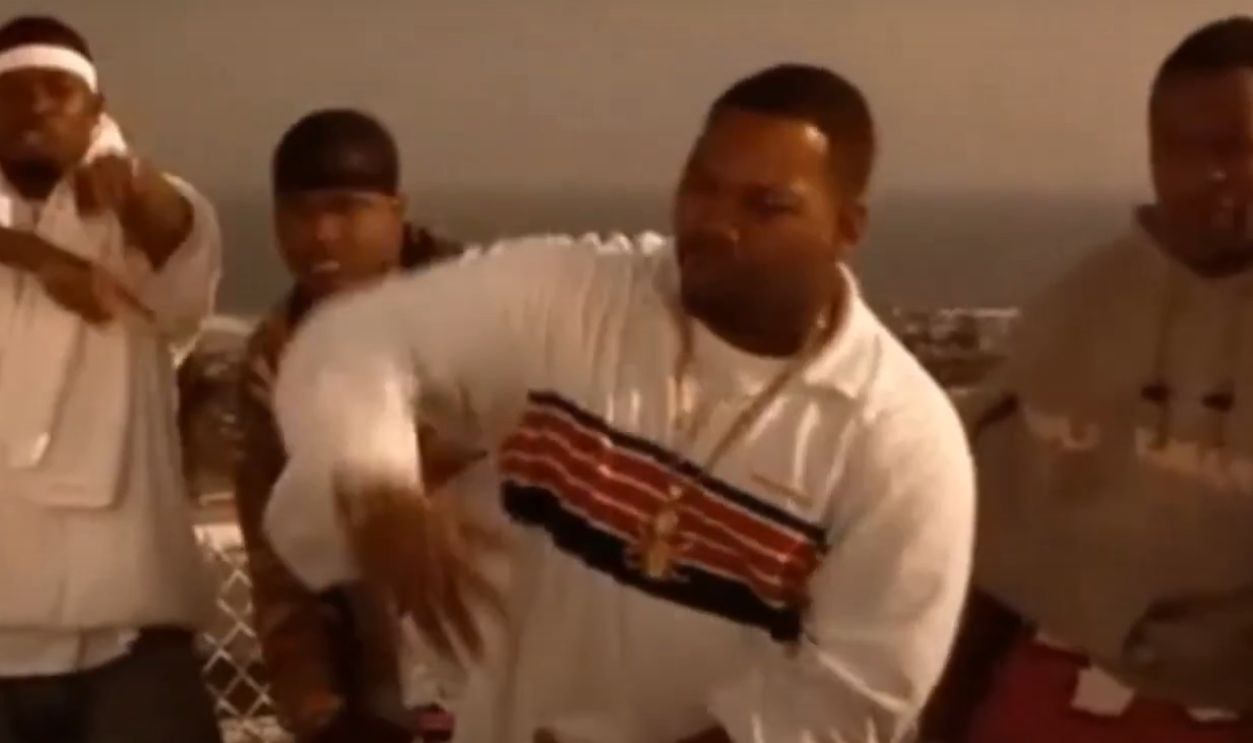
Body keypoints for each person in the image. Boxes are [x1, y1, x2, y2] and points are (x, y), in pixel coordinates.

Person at [264, 63, 975, 743]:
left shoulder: (900, 444)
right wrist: (378, 481)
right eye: (702, 186)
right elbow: (352, 342)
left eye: (767, 207)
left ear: (847, 227)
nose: (716, 223)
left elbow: (851, 702)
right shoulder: (576, 297)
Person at [921, 16, 1253, 743]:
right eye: (1185, 149)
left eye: (1237, 147)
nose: (1213, 176)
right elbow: (989, 563)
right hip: (1057, 692)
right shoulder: (1078, 312)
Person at [0, 14, 223, 743]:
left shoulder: (140, 212)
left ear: (97, 111)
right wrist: (37, 257)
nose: (36, 106)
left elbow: (177, 239)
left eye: (57, 90)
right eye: (13, 90)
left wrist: (129, 184)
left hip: (130, 634)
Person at [233, 108, 462, 743]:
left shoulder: (483, 316)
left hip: (521, 680)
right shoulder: (275, 361)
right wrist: (318, 710)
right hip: (382, 698)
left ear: (396, 210)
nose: (321, 235)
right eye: (298, 213)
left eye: (347, 209)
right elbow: (278, 558)